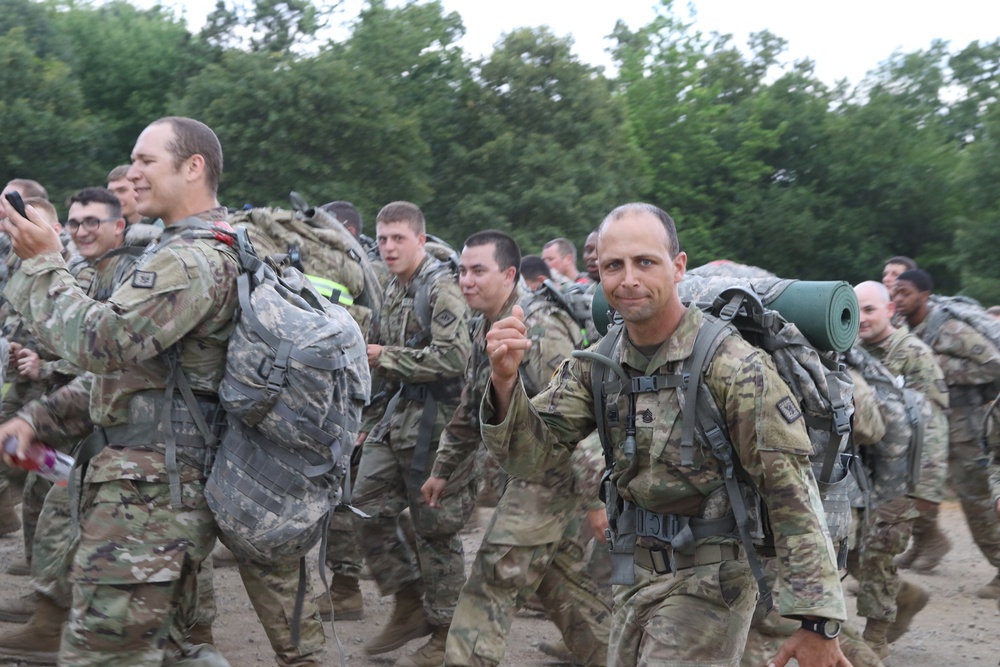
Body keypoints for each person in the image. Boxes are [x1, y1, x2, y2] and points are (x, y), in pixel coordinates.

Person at [0, 117, 325, 667]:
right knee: (165, 651)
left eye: (147, 160)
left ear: (193, 167)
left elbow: (101, 344)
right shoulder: (186, 249)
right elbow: (141, 376)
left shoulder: (190, 259)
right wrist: (40, 420)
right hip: (153, 489)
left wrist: (42, 262)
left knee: (103, 655)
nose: (132, 172)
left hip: (151, 499)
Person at [479, 202, 849, 667]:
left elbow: (791, 492)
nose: (628, 278)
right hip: (634, 574)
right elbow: (528, 457)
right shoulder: (598, 362)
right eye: (614, 265)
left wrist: (818, 623)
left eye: (645, 262)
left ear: (677, 267)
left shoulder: (734, 367)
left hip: (712, 581)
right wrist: (504, 382)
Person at [422, 230, 610, 667]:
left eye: (478, 271)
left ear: (509, 274)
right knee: (557, 581)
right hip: (531, 468)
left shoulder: (538, 326)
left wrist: (597, 499)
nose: (466, 281)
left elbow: (578, 419)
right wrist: (443, 468)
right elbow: (474, 403)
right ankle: (615, 655)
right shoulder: (483, 325)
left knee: (495, 574)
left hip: (557, 471)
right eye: (463, 271)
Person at [353, 201, 474, 665]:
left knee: (435, 530)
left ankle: (445, 633)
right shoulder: (391, 289)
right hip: (396, 416)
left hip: (439, 422)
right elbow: (381, 368)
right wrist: (366, 425)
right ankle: (408, 601)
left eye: (398, 238)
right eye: (382, 239)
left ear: (420, 240)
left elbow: (453, 358)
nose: (387, 247)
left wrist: (386, 356)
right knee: (363, 506)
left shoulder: (442, 288)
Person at [850, 281, 949, 657]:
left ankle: (876, 637)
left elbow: (933, 424)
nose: (862, 319)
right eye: (855, 310)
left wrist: (925, 488)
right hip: (861, 473)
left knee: (878, 550)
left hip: (902, 474)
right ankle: (905, 595)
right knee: (847, 551)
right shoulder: (849, 350)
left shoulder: (913, 354)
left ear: (890, 311)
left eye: (870, 310)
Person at [892, 269, 1000, 599]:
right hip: (929, 423)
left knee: (977, 501)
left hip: (965, 427)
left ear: (924, 296)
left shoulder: (949, 329)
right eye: (895, 293)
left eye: (905, 293)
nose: (897, 299)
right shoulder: (904, 328)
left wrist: (935, 367)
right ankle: (924, 542)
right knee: (913, 488)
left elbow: (994, 365)